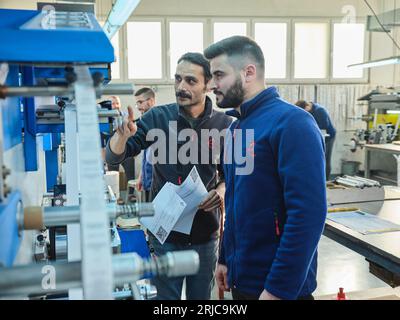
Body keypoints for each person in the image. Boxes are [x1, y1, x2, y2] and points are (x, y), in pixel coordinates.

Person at [204, 36, 327, 300]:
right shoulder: (236, 129)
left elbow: (308, 214)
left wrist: (278, 289)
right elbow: (236, 203)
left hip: (279, 288)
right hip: (243, 280)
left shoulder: (293, 124)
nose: (211, 85)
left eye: (218, 75)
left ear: (248, 72)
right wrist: (225, 258)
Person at [106, 52, 232, 300]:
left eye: (190, 81)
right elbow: (113, 158)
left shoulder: (224, 124)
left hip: (205, 235)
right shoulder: (157, 118)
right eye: (177, 79)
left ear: (208, 84)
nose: (181, 87)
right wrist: (121, 136)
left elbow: (229, 176)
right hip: (165, 235)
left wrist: (220, 191)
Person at [295, 100, 336, 180]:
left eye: (303, 111)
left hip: (328, 137)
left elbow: (325, 125)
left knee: (325, 158)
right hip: (319, 135)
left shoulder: (320, 110)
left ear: (307, 107)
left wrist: (309, 125)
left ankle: (325, 181)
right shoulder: (309, 108)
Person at [134, 87, 156, 202]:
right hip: (148, 179)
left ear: (151, 101)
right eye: (136, 103)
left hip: (158, 181)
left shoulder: (160, 121)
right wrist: (141, 176)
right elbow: (146, 153)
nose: (138, 107)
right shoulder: (144, 123)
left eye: (140, 102)